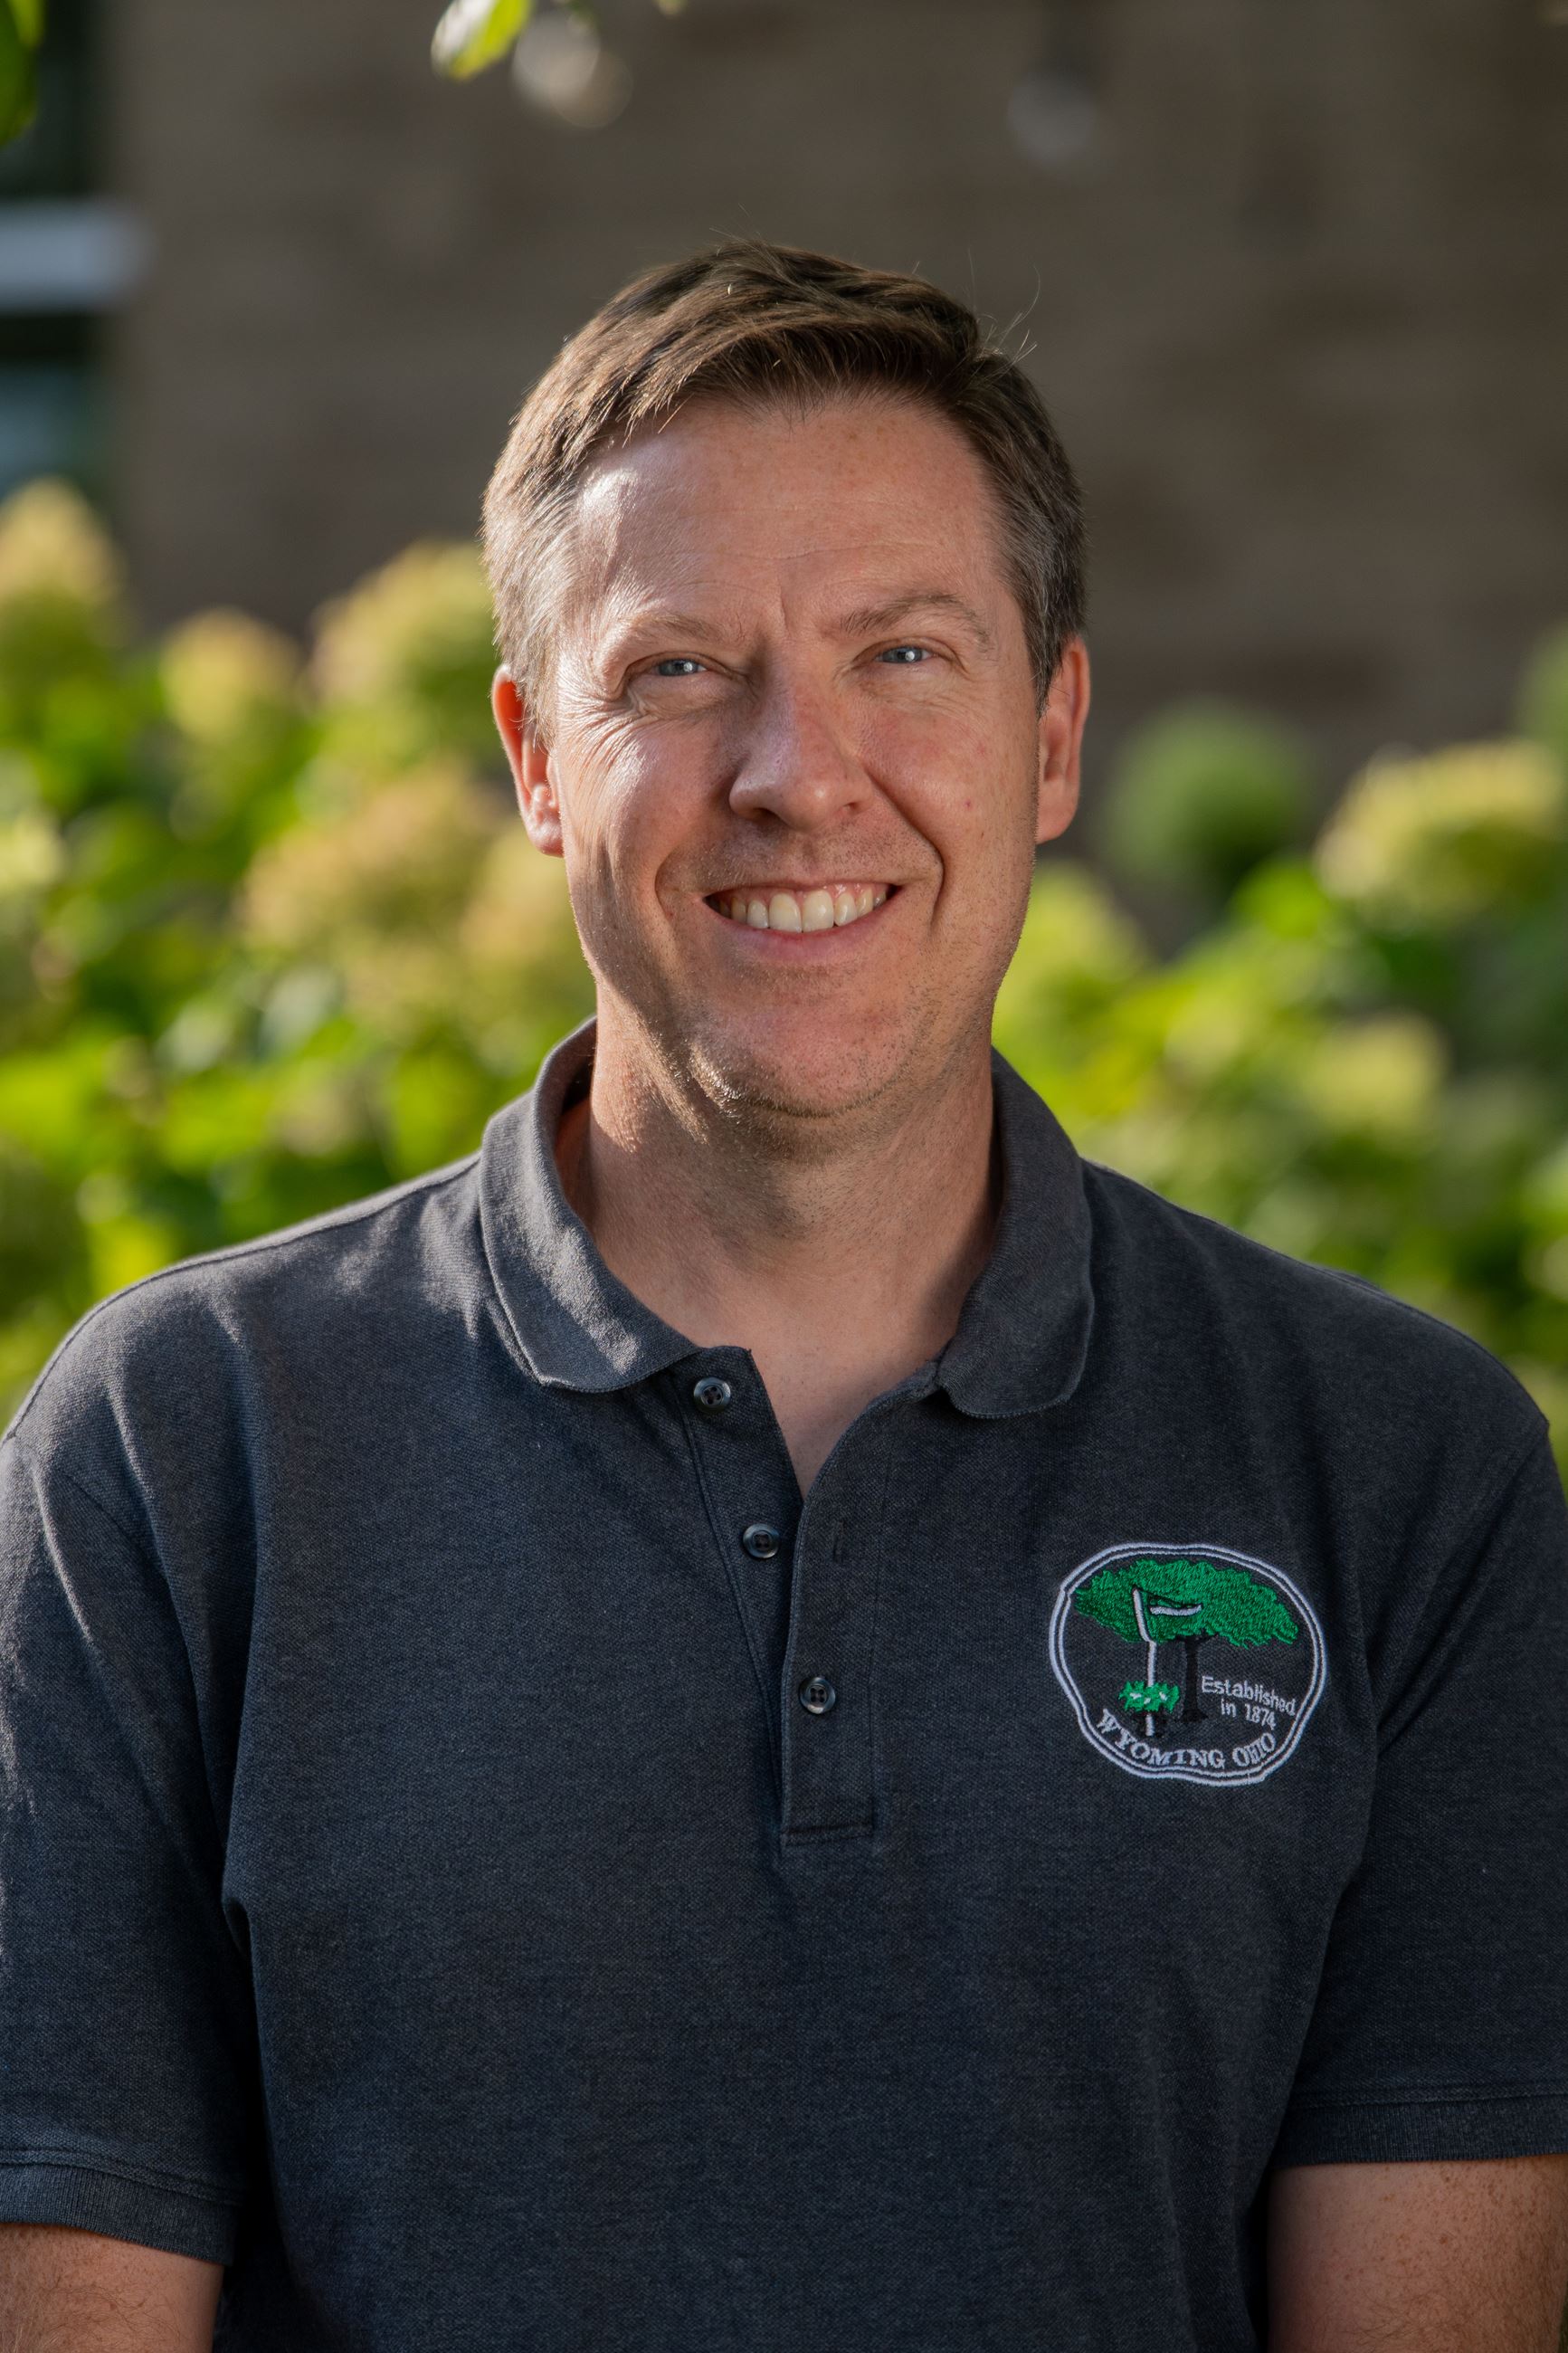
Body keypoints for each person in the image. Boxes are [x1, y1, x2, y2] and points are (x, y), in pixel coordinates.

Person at [2, 238, 1566, 2353]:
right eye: (674, 670)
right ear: (534, 759)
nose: (796, 772)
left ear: (1052, 732)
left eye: (903, 653)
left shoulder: (1398, 1472)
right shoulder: (184, 1447)